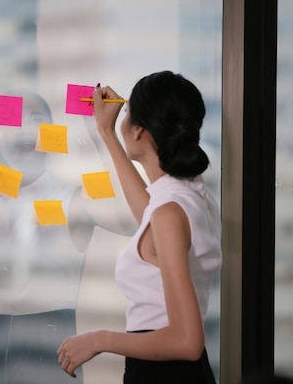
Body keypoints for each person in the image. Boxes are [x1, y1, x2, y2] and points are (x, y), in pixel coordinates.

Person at [0, 90, 133, 384]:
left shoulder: (73, 198)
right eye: (11, 121)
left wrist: (103, 135)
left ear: (50, 133)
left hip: (52, 353)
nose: (24, 129)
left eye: (36, 119)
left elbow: (125, 218)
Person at [57, 71, 222, 384]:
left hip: (165, 373)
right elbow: (148, 212)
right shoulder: (187, 194)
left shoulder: (170, 212)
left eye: (127, 112)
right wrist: (107, 133)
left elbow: (187, 342)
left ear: (140, 132)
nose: (123, 117)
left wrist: (98, 340)